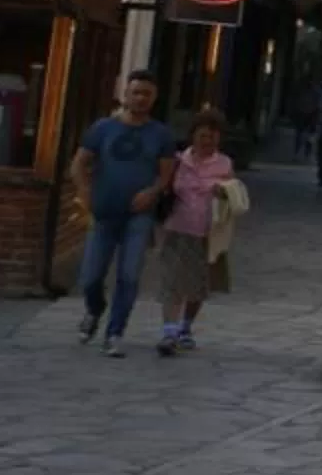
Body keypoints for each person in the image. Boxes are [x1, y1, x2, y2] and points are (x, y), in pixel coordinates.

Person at [72, 71, 179, 358]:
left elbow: (166, 175)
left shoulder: (161, 135)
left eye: (147, 93)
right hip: (105, 211)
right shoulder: (103, 128)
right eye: (136, 92)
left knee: (129, 276)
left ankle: (115, 332)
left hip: (138, 215)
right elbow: (79, 163)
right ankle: (94, 309)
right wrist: (84, 193)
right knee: (91, 276)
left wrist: (152, 192)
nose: (141, 98)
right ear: (125, 94)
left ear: (154, 98)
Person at [153, 109, 238, 356]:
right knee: (172, 280)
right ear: (193, 136)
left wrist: (225, 193)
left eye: (212, 136)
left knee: (198, 284)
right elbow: (163, 187)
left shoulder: (224, 164)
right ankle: (169, 332)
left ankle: (185, 327)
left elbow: (236, 198)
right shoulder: (178, 160)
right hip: (177, 228)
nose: (207, 141)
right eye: (202, 135)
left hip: (208, 233)